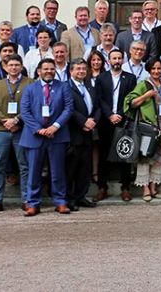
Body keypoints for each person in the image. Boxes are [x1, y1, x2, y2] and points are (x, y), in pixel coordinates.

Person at [19, 58, 74, 216]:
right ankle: (33, 203)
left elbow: (68, 109)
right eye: (46, 69)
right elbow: (25, 112)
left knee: (58, 171)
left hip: (57, 135)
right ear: (39, 71)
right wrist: (38, 129)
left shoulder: (63, 87)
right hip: (35, 136)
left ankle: (60, 201)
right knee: (34, 172)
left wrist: (55, 126)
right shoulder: (30, 89)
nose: (49, 71)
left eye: (52, 69)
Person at [0, 54, 32, 213]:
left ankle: (27, 199)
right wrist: (6, 120)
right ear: (5, 67)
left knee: (24, 165)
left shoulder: (29, 83)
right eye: (10, 65)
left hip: (22, 130)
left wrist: (17, 120)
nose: (13, 68)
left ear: (21, 66)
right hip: (1, 130)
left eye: (16, 65)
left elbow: (32, 105)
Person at [94, 48, 136, 202]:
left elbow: (130, 99)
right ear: (109, 61)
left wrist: (119, 114)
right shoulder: (101, 78)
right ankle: (102, 187)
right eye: (114, 58)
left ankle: (125, 188)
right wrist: (110, 115)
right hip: (106, 121)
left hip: (123, 121)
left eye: (119, 58)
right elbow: (99, 99)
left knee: (124, 154)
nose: (117, 61)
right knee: (104, 155)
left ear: (123, 60)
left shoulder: (130, 78)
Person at [125, 58, 161, 202]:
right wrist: (146, 95)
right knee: (145, 156)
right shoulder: (144, 84)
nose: (156, 71)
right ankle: (145, 188)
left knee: (160, 157)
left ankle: (153, 187)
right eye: (153, 69)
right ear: (149, 70)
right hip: (147, 125)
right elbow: (131, 102)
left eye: (158, 68)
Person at [66, 58, 99, 210]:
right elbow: (68, 109)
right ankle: (69, 198)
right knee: (71, 168)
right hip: (74, 133)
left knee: (85, 168)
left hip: (88, 133)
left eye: (83, 69)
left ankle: (81, 196)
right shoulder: (66, 87)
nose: (81, 71)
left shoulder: (89, 86)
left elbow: (97, 106)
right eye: (78, 69)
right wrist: (83, 122)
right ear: (71, 71)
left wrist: (93, 121)